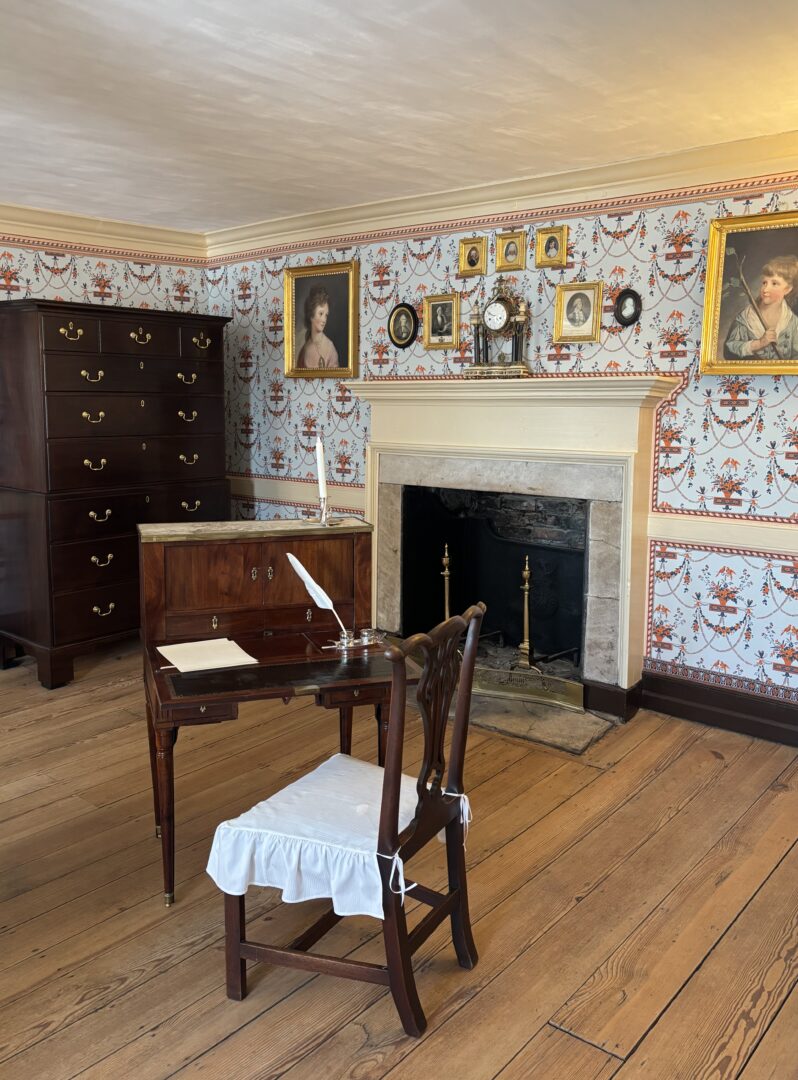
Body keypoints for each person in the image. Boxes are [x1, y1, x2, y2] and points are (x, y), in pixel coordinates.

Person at [724, 255, 798, 361]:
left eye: (774, 283)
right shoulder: (746, 318)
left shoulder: (792, 322)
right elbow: (729, 350)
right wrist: (758, 344)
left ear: (787, 289)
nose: (765, 289)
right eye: (764, 283)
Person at [296, 285, 339, 369]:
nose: (324, 320)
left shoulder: (330, 348)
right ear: (311, 315)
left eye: (326, 315)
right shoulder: (304, 350)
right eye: (321, 314)